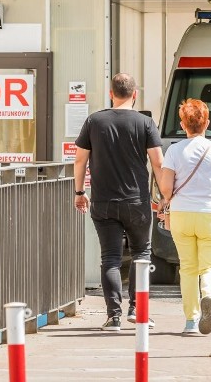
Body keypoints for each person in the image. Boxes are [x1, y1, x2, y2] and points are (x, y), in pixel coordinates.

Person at [73, 73, 164, 332]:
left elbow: (80, 160)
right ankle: (138, 310)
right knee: (141, 254)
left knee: (110, 258)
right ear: (135, 95)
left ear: (111, 93)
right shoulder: (145, 122)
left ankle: (113, 317)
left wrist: (79, 192)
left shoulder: (94, 121)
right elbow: (158, 162)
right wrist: (164, 196)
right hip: (137, 201)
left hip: (103, 201)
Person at [158, 98, 211, 335]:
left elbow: (165, 188)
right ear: (207, 124)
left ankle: (191, 321)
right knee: (209, 265)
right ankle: (209, 297)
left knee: (188, 268)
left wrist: (168, 202)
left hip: (182, 214)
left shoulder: (173, 150)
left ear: (183, 125)